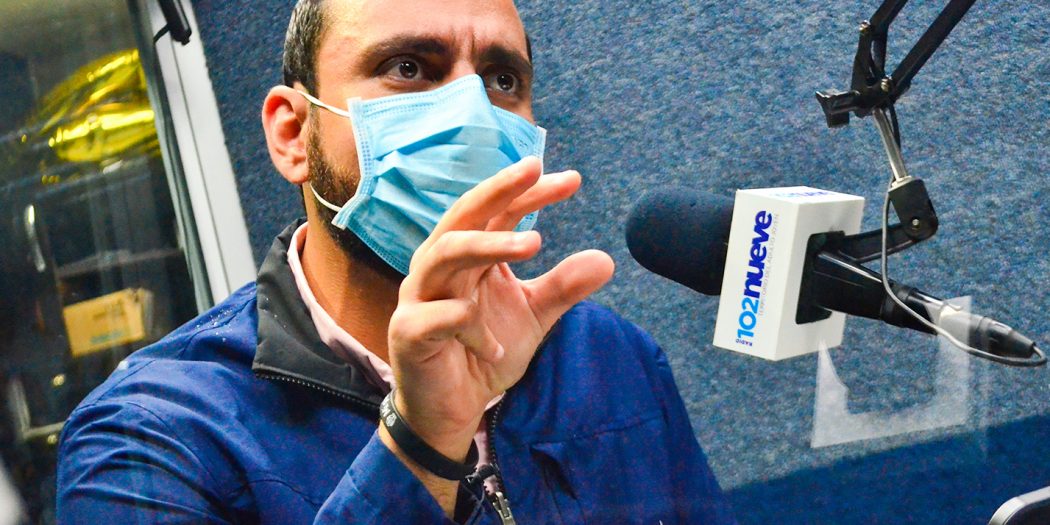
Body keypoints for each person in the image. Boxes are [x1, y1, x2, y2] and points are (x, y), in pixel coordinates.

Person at [56, 0, 737, 523]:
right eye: (409, 68)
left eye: (502, 79)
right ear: (293, 133)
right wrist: (420, 444)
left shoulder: (612, 358)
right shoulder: (148, 437)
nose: (472, 116)